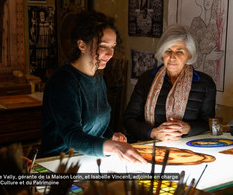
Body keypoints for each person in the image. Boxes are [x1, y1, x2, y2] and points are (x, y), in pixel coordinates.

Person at [40, 10, 146, 164]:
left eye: (113, 47)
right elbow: (72, 136)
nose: (110, 54)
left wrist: (111, 136)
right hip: (57, 163)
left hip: (86, 160)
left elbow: (97, 127)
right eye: (103, 46)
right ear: (82, 45)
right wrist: (114, 147)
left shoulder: (98, 79)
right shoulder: (63, 81)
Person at [124, 24, 216, 142]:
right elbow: (129, 120)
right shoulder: (147, 79)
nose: (172, 57)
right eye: (168, 51)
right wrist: (153, 133)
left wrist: (188, 128)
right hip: (150, 147)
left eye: (179, 52)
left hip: (188, 150)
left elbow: (208, 123)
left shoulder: (205, 84)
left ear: (189, 55)